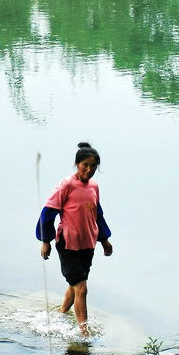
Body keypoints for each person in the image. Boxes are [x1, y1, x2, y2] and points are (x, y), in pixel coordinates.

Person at [35, 142, 113, 335]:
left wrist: (104, 240)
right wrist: (46, 241)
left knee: (75, 284)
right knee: (82, 287)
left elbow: (98, 215)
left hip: (87, 243)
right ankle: (84, 331)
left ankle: (61, 314)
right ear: (77, 164)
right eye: (85, 165)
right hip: (68, 243)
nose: (89, 169)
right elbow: (48, 213)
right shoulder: (66, 185)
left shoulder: (94, 187)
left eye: (93, 166)